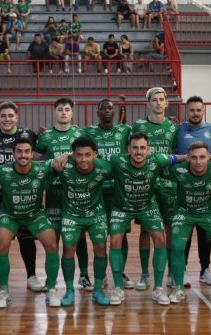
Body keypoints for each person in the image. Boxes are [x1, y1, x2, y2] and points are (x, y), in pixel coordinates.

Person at [104, 133, 185, 306]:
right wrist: (66, 156)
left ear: (148, 150)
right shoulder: (117, 160)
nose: (138, 151)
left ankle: (158, 288)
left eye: (142, 148)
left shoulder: (158, 160)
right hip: (121, 208)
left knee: (160, 240)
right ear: (128, 149)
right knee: (115, 240)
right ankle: (118, 287)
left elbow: (182, 157)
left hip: (147, 206)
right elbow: (90, 161)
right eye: (135, 147)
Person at [0, 138, 62, 307]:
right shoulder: (1, 171)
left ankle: (51, 289)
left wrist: (66, 154)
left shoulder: (42, 168)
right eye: (19, 151)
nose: (23, 155)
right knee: (1, 245)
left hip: (35, 215)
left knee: (52, 245)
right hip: (9, 215)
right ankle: (4, 292)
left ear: (32, 154)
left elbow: (63, 160)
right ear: (13, 154)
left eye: (27, 151)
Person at [0, 102, 42, 293]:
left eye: (10, 115)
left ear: (17, 117)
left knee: (26, 235)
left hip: (23, 194)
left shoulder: (28, 134)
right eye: (3, 116)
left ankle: (31, 276)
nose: (7, 119)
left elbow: (40, 150)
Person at [163, 141, 211, 304]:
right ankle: (178, 288)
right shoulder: (177, 170)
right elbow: (155, 162)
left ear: (209, 157)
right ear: (188, 158)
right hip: (184, 212)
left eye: (202, 157)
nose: (198, 162)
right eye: (193, 158)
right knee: (177, 246)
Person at [51, 137, 114, 306]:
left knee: (101, 247)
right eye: (79, 155)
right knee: (68, 249)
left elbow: (126, 169)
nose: (83, 159)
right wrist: (60, 156)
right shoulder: (64, 165)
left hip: (96, 214)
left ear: (95, 154)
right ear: (73, 155)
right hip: (72, 214)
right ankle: (70, 291)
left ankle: (98, 290)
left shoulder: (104, 167)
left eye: (88, 155)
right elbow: (36, 167)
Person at [80, 99, 134, 289]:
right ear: (97, 112)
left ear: (114, 111)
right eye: (102, 108)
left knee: (121, 234)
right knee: (96, 236)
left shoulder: (125, 130)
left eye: (110, 108)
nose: (106, 111)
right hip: (96, 191)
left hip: (119, 191)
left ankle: (120, 272)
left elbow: (142, 140)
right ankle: (93, 274)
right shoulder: (88, 132)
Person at [132, 87, 178, 290]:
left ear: (167, 103)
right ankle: (144, 274)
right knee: (145, 230)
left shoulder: (173, 127)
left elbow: (176, 153)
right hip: (146, 185)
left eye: (162, 99)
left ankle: (169, 273)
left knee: (168, 229)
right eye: (154, 100)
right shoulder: (139, 125)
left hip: (168, 186)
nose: (158, 103)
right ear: (148, 104)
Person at [174, 96, 211, 286]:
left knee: (205, 232)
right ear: (186, 112)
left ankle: (205, 269)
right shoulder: (179, 129)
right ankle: (181, 270)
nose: (195, 113)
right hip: (183, 187)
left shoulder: (210, 130)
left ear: (204, 111)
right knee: (185, 232)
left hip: (205, 189)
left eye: (199, 110)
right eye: (192, 110)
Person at [34, 98, 83, 247]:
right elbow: (33, 159)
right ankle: (54, 270)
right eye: (60, 109)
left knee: (78, 237)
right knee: (53, 237)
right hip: (53, 191)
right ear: (54, 112)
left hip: (75, 191)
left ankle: (83, 271)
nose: (64, 113)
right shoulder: (45, 136)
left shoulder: (81, 134)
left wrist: (68, 154)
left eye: (67, 110)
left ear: (72, 114)